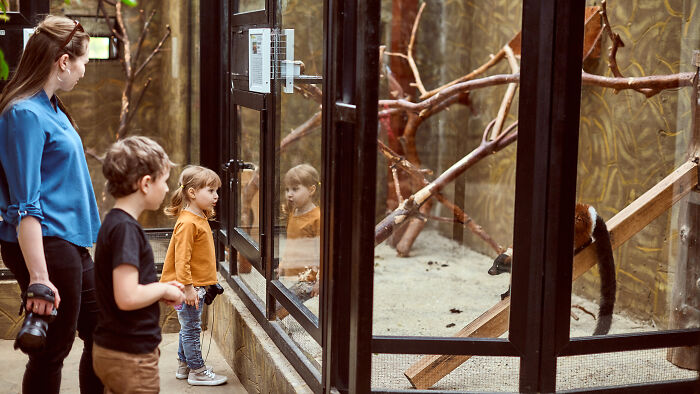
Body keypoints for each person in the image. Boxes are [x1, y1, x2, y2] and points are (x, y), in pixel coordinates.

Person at [0, 15, 103, 393]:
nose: (83, 71)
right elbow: (25, 205)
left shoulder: (52, 107)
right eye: (83, 63)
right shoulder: (23, 114)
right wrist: (39, 279)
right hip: (47, 244)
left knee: (103, 332)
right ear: (63, 61)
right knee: (52, 351)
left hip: (70, 244)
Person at [92, 136, 186, 393]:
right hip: (130, 356)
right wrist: (164, 290)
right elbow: (127, 296)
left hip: (112, 350)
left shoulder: (113, 222)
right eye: (164, 181)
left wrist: (156, 288)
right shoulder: (126, 230)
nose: (167, 189)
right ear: (146, 183)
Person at [160, 165, 228, 386]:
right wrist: (188, 288)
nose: (216, 196)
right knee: (191, 328)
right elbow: (182, 259)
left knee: (188, 326)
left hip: (195, 286)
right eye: (210, 191)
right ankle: (197, 370)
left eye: (216, 191)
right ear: (192, 192)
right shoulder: (188, 222)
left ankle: (184, 365)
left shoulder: (199, 217)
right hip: (189, 288)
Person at [278, 163, 321, 278]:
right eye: (287, 189)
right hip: (290, 277)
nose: (289, 194)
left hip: (307, 279)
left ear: (311, 190)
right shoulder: (293, 213)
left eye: (295, 189)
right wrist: (282, 265)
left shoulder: (318, 218)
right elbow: (290, 245)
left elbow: (322, 254)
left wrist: (319, 280)